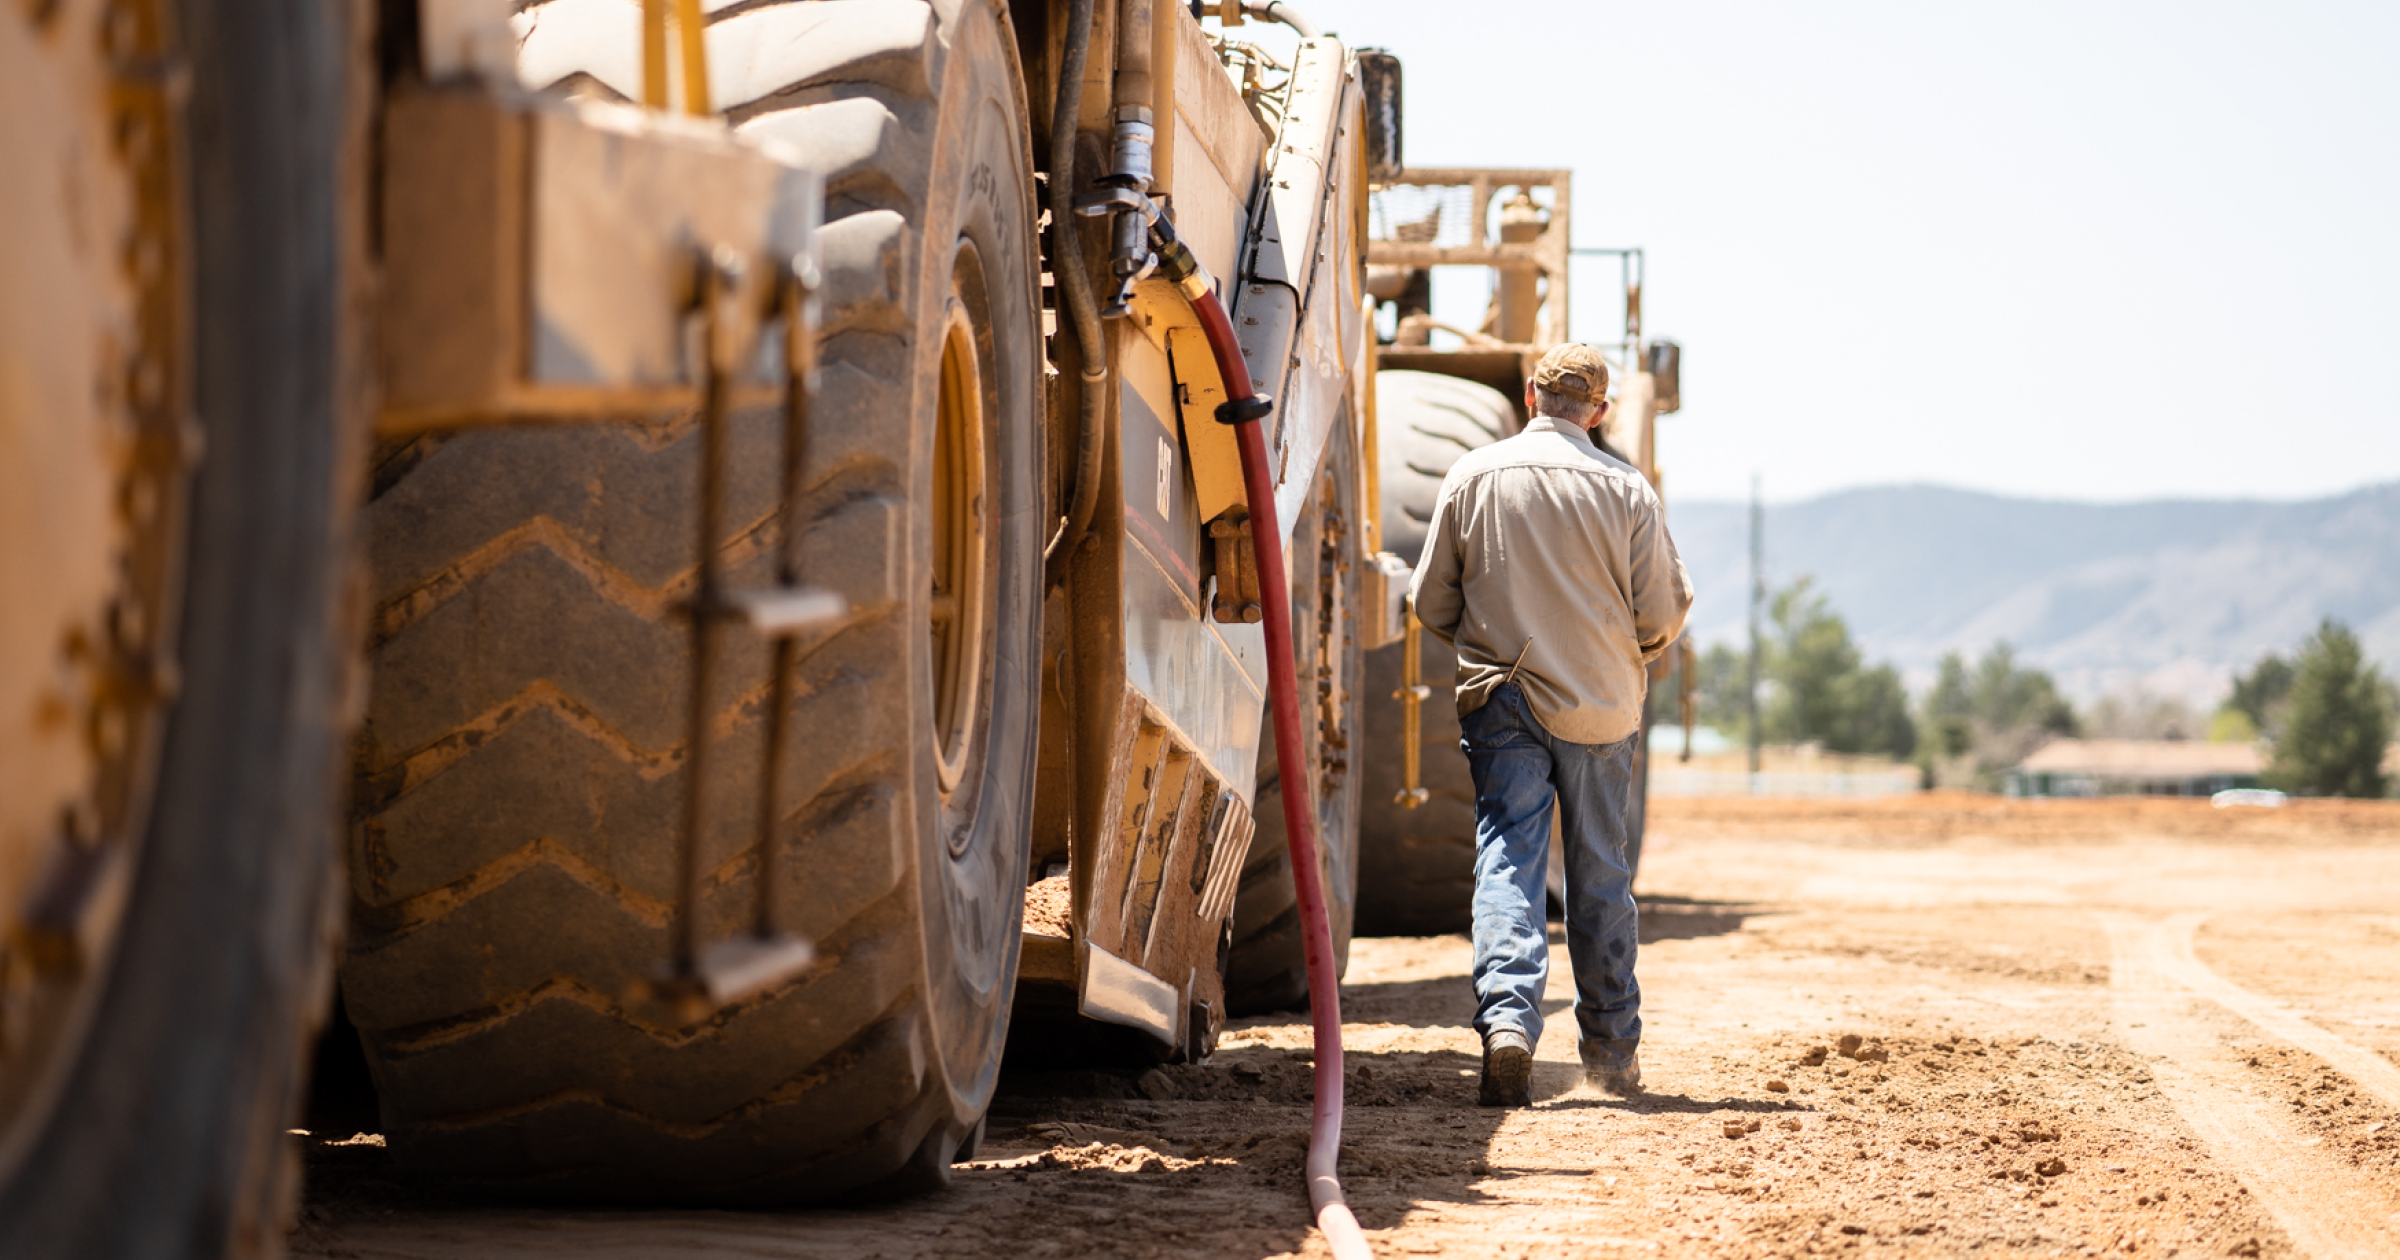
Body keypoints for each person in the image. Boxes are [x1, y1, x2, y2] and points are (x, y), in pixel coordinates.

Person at [1407, 343, 1694, 1107]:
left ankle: (1507, 1028)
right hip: (1599, 707)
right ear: (1598, 413)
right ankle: (1610, 1054)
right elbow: (1662, 614)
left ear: (1531, 395)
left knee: (1509, 858)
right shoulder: (1627, 490)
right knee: (1599, 872)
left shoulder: (1473, 475)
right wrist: (1621, 655)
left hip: (1501, 697)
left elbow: (1430, 603)